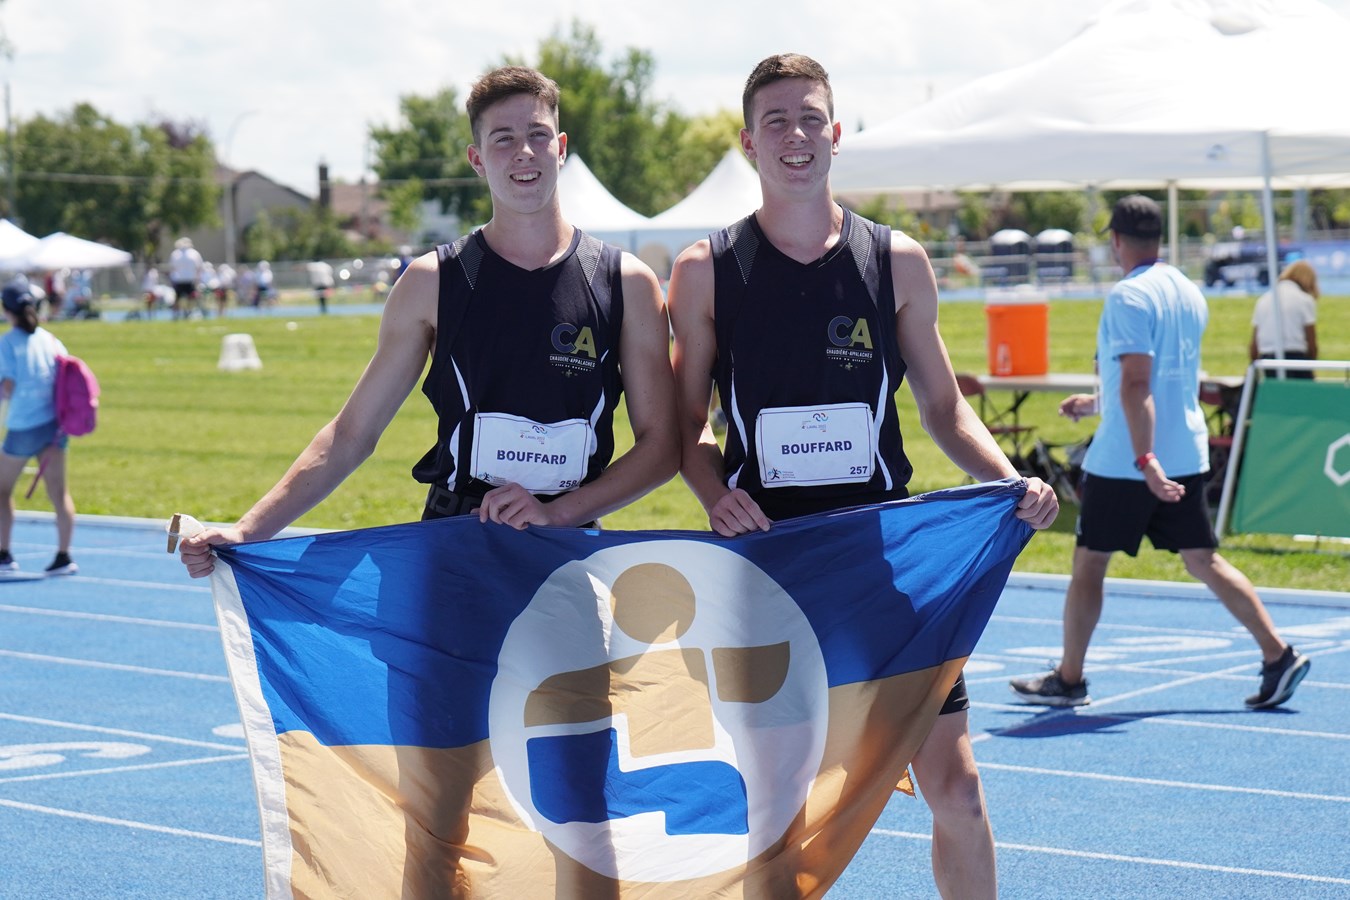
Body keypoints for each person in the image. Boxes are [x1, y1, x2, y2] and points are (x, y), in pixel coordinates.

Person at [667, 54, 1058, 900]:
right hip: (768, 568)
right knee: (777, 804)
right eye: (776, 120)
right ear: (749, 142)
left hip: (884, 565)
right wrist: (713, 492)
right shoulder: (705, 270)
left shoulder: (897, 260)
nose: (795, 136)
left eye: (811, 118)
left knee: (956, 790)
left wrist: (1010, 480)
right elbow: (683, 427)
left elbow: (945, 409)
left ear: (837, 135)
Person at [179, 65, 678, 578]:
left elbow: (662, 445)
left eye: (537, 135)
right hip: (454, 550)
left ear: (562, 146)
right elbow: (353, 434)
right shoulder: (431, 282)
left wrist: (558, 513)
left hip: (570, 551)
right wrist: (249, 530)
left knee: (581, 666)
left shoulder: (627, 283)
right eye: (502, 139)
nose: (524, 152)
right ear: (476, 159)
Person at [1011, 194, 1310, 711]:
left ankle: (1070, 677)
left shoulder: (1128, 297)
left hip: (1129, 459)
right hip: (1185, 450)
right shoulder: (1187, 291)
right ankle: (1277, 654)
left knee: (1089, 563)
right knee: (1203, 559)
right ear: (1160, 240)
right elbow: (1160, 381)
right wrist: (1098, 401)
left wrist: (1145, 461)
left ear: (1116, 240)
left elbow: (1138, 382)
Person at [0, 285, 77, 575]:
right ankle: (64, 556)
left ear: (7, 311)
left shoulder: (7, 343)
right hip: (54, 427)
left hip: (22, 425)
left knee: (2, 489)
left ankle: (4, 553)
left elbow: (7, 386)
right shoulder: (51, 339)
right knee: (59, 492)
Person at [1249, 259, 1319, 379]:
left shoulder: (1263, 299)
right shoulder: (1304, 300)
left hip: (1267, 359)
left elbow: (1254, 344)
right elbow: (1311, 340)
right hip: (1297, 358)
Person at [168, 237, 204, 319]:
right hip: (189, 279)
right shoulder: (194, 253)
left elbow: (172, 268)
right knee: (189, 298)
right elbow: (199, 268)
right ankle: (187, 313)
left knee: (179, 298)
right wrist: (198, 279)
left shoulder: (175, 253)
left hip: (179, 279)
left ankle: (178, 314)